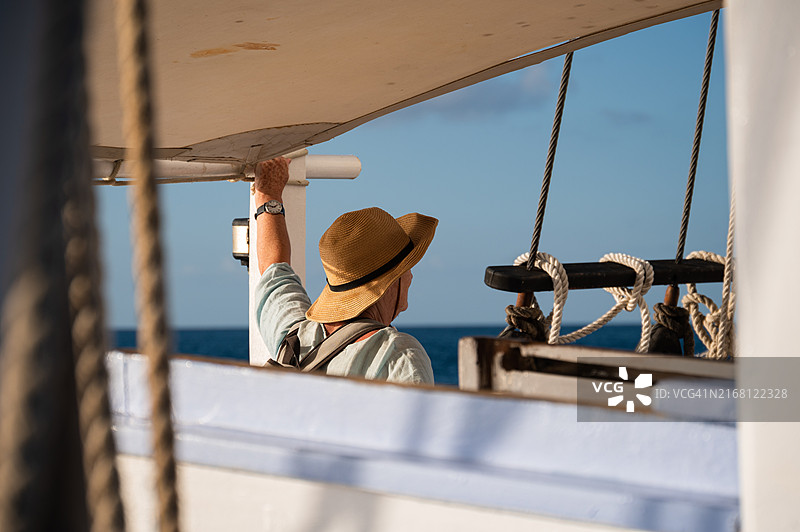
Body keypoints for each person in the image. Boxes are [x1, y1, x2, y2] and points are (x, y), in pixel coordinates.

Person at [253, 157, 438, 384]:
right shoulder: (398, 356)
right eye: (407, 267)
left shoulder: (294, 340)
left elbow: (275, 269)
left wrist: (268, 194)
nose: (411, 276)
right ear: (391, 281)